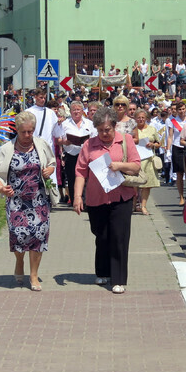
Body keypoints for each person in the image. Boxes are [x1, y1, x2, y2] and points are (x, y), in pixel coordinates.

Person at [73, 107, 141, 294]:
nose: (104, 133)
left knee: (119, 237)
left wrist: (120, 165)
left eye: (107, 129)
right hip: (96, 198)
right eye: (100, 130)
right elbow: (80, 172)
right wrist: (78, 196)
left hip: (122, 197)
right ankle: (102, 271)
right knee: (101, 236)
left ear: (114, 126)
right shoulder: (89, 145)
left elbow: (136, 166)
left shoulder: (125, 140)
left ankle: (118, 279)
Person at [0, 111, 56, 292]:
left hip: (39, 199)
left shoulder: (41, 145)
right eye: (24, 132)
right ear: (17, 131)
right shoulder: (6, 149)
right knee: (18, 236)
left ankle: (34, 275)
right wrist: (1, 188)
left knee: (39, 235)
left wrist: (50, 170)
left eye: (31, 131)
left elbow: (52, 163)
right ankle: (19, 261)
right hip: (16, 201)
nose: (28, 135)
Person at [57, 101, 96, 204]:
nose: (76, 112)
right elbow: (58, 140)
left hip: (85, 154)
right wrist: (65, 142)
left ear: (82, 111)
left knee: (86, 177)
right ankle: (75, 201)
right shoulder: (65, 124)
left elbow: (94, 137)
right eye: (74, 110)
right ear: (70, 111)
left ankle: (86, 200)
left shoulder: (89, 123)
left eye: (78, 110)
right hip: (70, 154)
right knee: (71, 177)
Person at [133, 109, 161, 215]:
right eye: (138, 117)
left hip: (148, 159)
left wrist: (153, 144)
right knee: (133, 184)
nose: (140, 119)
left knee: (147, 184)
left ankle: (144, 206)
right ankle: (134, 204)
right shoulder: (132, 129)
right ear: (135, 119)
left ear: (146, 118)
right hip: (135, 159)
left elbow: (159, 143)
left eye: (143, 117)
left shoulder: (152, 129)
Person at [167, 101, 186, 204]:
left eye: (183, 109)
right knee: (179, 173)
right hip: (177, 147)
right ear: (176, 111)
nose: (181, 111)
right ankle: (181, 197)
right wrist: (168, 150)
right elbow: (170, 136)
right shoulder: (173, 121)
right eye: (179, 109)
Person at [25, 87, 59, 155]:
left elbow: (56, 132)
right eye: (41, 97)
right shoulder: (28, 112)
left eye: (44, 98)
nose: (43, 100)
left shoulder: (50, 113)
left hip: (48, 149)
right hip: (33, 148)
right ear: (35, 97)